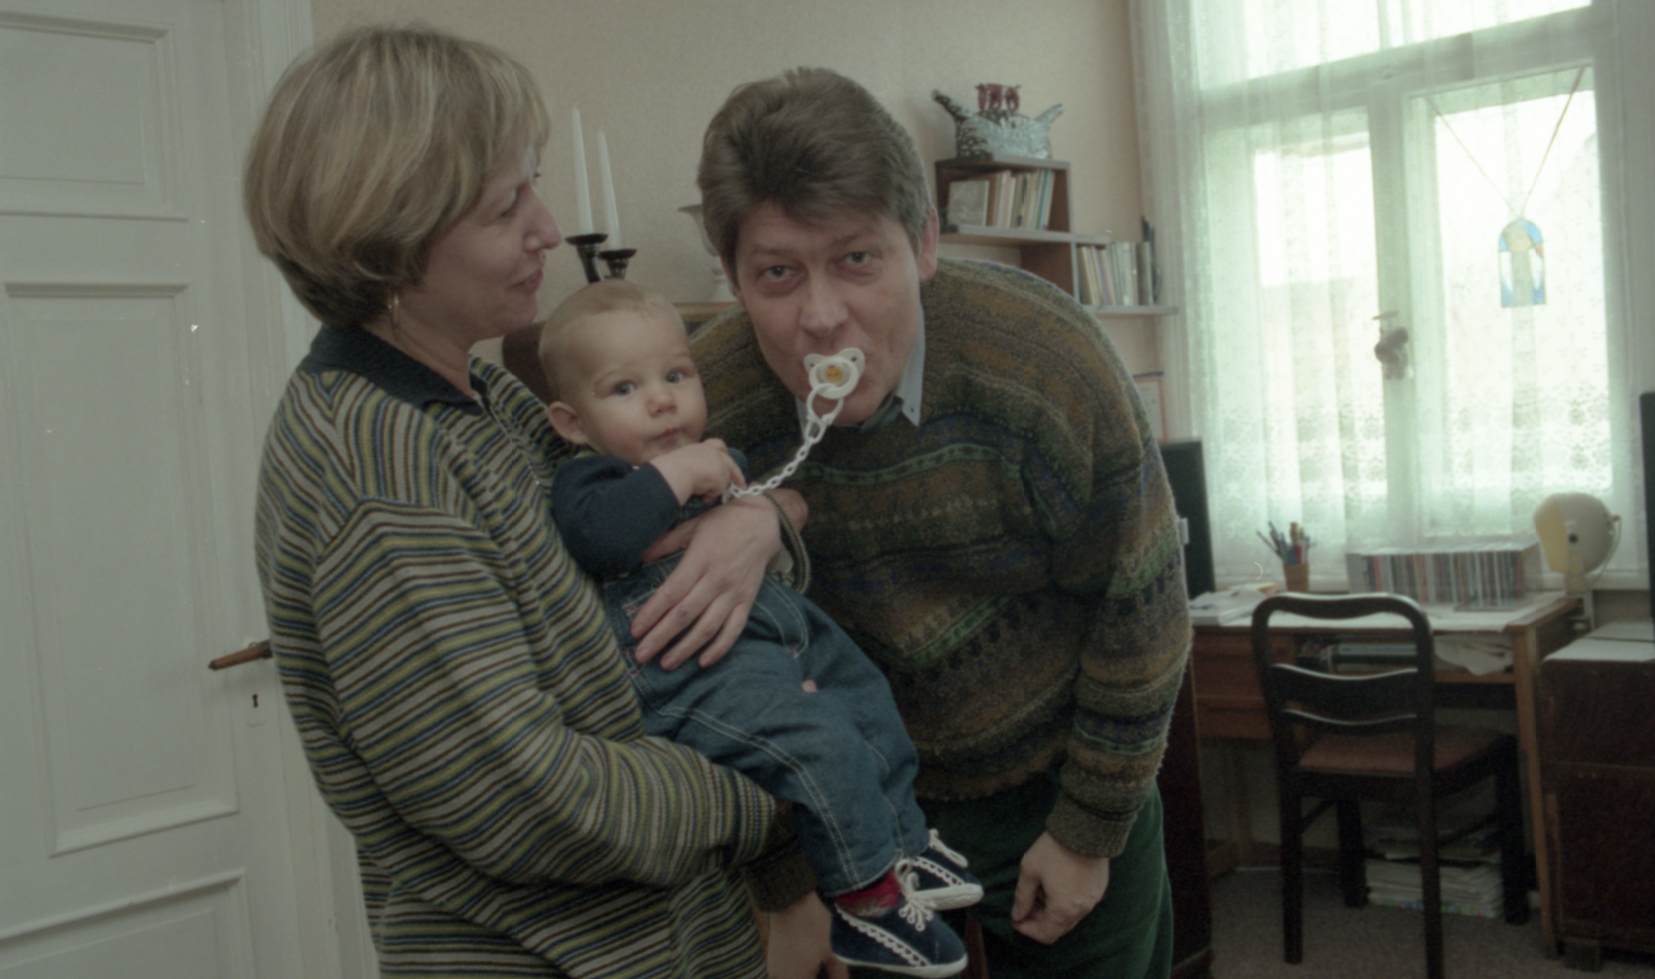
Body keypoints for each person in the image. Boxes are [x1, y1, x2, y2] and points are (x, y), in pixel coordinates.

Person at [244, 26, 841, 979]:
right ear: (392, 239)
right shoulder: (378, 467)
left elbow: (654, 563)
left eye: (534, 186)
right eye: (505, 206)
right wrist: (779, 787)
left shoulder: (485, 396)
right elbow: (526, 799)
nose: (549, 229)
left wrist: (757, 521)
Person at [691, 67, 1192, 979]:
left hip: (1063, 779)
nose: (820, 317)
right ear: (732, 278)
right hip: (854, 818)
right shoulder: (706, 412)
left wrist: (1087, 832)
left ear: (922, 242)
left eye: (857, 259)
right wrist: (792, 879)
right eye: (776, 273)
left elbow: (1143, 609)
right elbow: (709, 680)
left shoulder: (1045, 362)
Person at [537, 279, 984, 977]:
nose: (662, 400)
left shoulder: (710, 457)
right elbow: (604, 540)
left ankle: (904, 843)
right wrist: (680, 470)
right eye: (624, 388)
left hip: (773, 632)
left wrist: (747, 494)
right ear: (571, 423)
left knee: (865, 692)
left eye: (676, 376)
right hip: (690, 671)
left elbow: (767, 502)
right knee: (820, 746)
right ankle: (866, 904)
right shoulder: (589, 484)